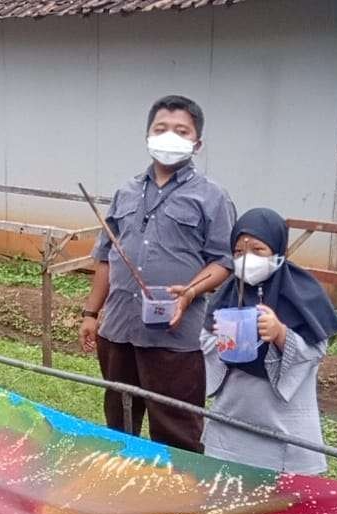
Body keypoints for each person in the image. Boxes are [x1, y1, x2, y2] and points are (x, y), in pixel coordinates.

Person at [200, 208, 337, 514]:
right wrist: (220, 340)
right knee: (231, 496)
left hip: (284, 417)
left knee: (292, 504)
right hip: (234, 412)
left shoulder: (303, 292)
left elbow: (316, 350)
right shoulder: (226, 293)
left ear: (277, 252)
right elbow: (206, 339)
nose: (247, 258)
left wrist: (280, 334)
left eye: (257, 249)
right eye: (239, 250)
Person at [79, 95, 236, 452]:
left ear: (197, 143)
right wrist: (90, 313)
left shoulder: (212, 197)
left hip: (174, 336)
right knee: (120, 424)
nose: (169, 137)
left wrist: (191, 291)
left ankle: (178, 497)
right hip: (118, 330)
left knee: (176, 431)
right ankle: (124, 488)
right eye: (161, 129)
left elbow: (224, 261)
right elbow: (106, 256)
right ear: (148, 136)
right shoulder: (125, 192)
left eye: (181, 131)